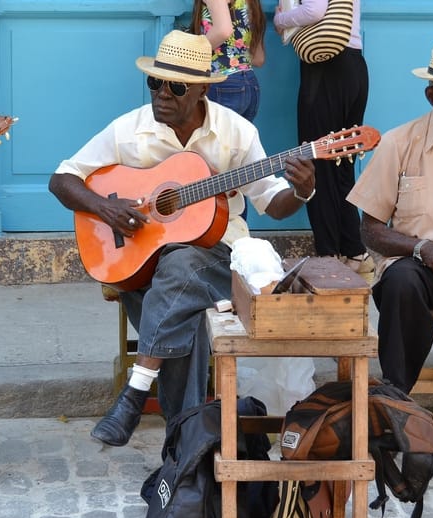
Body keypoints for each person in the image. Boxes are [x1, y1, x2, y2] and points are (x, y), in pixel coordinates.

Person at [48, 31, 315, 446]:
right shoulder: (129, 129)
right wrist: (107, 210)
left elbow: (270, 201)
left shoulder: (236, 132)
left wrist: (300, 191)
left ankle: (139, 397)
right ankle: (185, 446)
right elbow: (62, 178)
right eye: (155, 83)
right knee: (182, 309)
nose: (161, 96)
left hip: (218, 260)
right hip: (142, 267)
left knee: (183, 263)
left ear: (202, 91)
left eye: (175, 87)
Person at [346, 43, 433, 393]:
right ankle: (396, 401)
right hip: (424, 268)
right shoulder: (399, 142)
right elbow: (370, 229)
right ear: (431, 95)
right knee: (401, 281)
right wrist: (422, 247)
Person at [274, 0, 373, 274]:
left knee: (316, 164)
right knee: (343, 164)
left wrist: (280, 20)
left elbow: (314, 11)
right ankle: (354, 251)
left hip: (326, 70)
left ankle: (328, 256)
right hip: (354, 65)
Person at [190, 0, 266, 122]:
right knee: (238, 140)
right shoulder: (252, 3)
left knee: (214, 139)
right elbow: (258, 58)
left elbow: (223, 31)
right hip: (250, 85)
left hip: (221, 82)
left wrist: (188, 55)